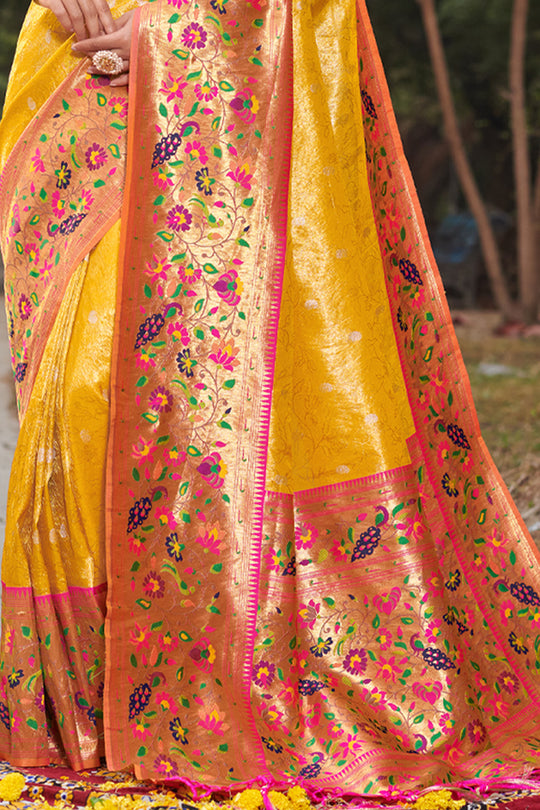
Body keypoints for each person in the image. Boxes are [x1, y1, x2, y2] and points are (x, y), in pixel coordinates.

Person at [0, 0, 539, 800]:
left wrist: (173, 36)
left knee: (202, 402)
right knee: (77, 399)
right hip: (84, 77)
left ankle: (216, 694)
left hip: (234, 87)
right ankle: (78, 706)